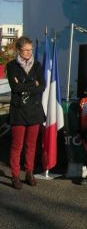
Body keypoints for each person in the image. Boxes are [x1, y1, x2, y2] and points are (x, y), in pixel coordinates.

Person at [6, 36, 45, 190]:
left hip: (35, 111)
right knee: (17, 146)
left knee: (31, 145)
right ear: (18, 50)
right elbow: (15, 88)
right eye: (26, 50)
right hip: (19, 111)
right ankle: (15, 175)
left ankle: (29, 172)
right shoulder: (11, 66)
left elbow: (41, 86)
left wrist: (24, 85)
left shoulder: (37, 65)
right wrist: (32, 85)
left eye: (31, 50)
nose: (29, 52)